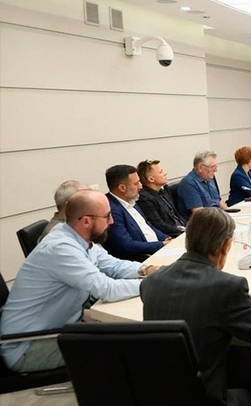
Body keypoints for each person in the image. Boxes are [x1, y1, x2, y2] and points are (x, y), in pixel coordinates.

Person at [141, 207, 251, 406]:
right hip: (208, 405)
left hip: (159, 401)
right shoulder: (227, 287)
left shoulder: (151, 282)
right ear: (226, 245)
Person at [0, 190, 156, 373]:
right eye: (107, 216)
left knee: (134, 333)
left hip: (61, 327)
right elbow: (108, 290)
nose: (112, 222)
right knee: (129, 346)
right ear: (86, 221)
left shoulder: (78, 237)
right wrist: (155, 282)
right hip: (28, 345)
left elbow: (113, 265)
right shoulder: (61, 249)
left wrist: (147, 270)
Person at [105, 164, 170, 260]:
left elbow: (147, 225)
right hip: (142, 258)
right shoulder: (111, 210)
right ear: (122, 188)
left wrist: (166, 238)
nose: (141, 187)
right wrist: (161, 244)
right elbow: (126, 245)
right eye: (136, 184)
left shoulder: (131, 200)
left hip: (157, 249)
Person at [136, 159, 186, 238]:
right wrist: (186, 231)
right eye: (161, 172)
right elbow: (159, 225)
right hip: (172, 235)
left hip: (182, 230)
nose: (165, 173)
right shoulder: (144, 198)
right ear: (151, 179)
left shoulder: (163, 190)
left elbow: (176, 215)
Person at [176, 151, 227, 219]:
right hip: (204, 221)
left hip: (217, 217)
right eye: (213, 167)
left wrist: (229, 214)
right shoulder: (189, 184)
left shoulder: (209, 178)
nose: (215, 170)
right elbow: (199, 214)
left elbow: (219, 200)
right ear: (200, 168)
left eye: (216, 166)